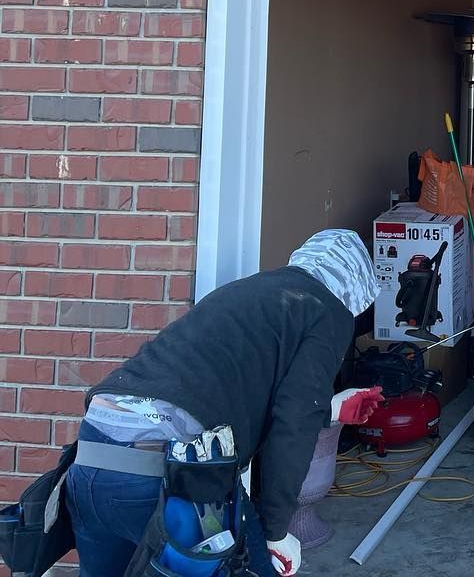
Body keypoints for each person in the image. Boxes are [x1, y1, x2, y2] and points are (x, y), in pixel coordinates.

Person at [65, 230, 384, 577]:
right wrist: (276, 533)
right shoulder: (327, 310)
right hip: (165, 471)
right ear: (354, 287)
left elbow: (247, 393)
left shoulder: (251, 293)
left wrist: (331, 409)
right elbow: (294, 423)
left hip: (90, 459)